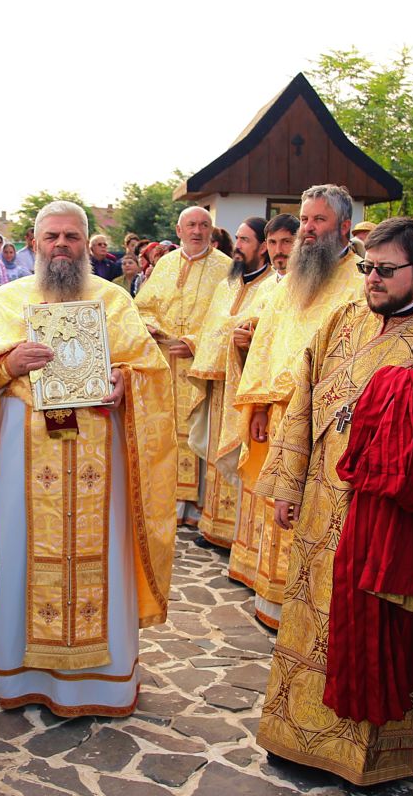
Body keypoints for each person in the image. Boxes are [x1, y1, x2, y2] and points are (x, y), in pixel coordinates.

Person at [253, 216, 413, 783]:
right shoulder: (341, 320)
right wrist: (287, 483)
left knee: (379, 626)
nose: (372, 279)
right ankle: (295, 737)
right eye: (368, 267)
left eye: (385, 270)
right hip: (323, 501)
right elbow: (301, 404)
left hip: (386, 515)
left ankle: (369, 757)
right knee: (310, 620)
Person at [0, 200, 175, 717]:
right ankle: (21, 673)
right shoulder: (8, 299)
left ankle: (104, 681)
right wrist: (6, 366)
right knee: (22, 551)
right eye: (52, 237)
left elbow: (151, 372)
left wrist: (124, 381)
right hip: (24, 456)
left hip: (100, 457)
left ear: (87, 243)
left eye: (71, 237)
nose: (62, 246)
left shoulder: (113, 300)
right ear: (35, 241)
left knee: (103, 553)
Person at [219, 194, 361, 631]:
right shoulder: (291, 279)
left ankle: (308, 606)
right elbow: (267, 342)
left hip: (325, 419)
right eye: (305, 219)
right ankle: (272, 599)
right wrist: (258, 404)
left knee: (314, 509)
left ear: (343, 225)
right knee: (276, 508)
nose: (309, 227)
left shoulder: (359, 282)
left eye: (320, 218)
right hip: (279, 414)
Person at [134, 205, 233, 522]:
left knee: (196, 429)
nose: (197, 231)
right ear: (179, 230)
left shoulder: (227, 268)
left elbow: (230, 318)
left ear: (211, 231)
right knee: (165, 429)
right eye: (191, 224)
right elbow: (144, 305)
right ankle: (168, 500)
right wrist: (150, 326)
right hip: (164, 361)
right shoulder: (164, 264)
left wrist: (193, 341)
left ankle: (196, 505)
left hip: (198, 365)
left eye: (204, 225)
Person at [187, 217, 276, 551]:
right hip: (218, 382)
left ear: (263, 247)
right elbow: (213, 326)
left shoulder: (271, 287)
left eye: (245, 240)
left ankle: (233, 534)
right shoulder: (228, 283)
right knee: (214, 452)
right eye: (237, 239)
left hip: (243, 389)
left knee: (235, 455)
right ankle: (213, 527)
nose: (237, 246)